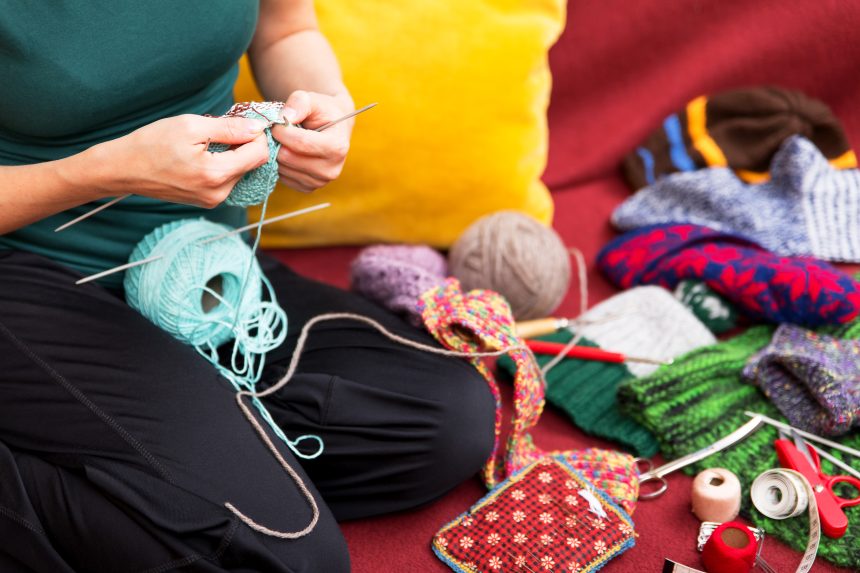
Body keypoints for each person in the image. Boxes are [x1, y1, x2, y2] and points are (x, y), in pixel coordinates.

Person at [0, 1, 495, 571]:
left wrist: (322, 107)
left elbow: (286, 27)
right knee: (286, 556)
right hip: (27, 270)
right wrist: (98, 173)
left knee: (444, 425)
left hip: (200, 260)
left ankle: (178, 461)